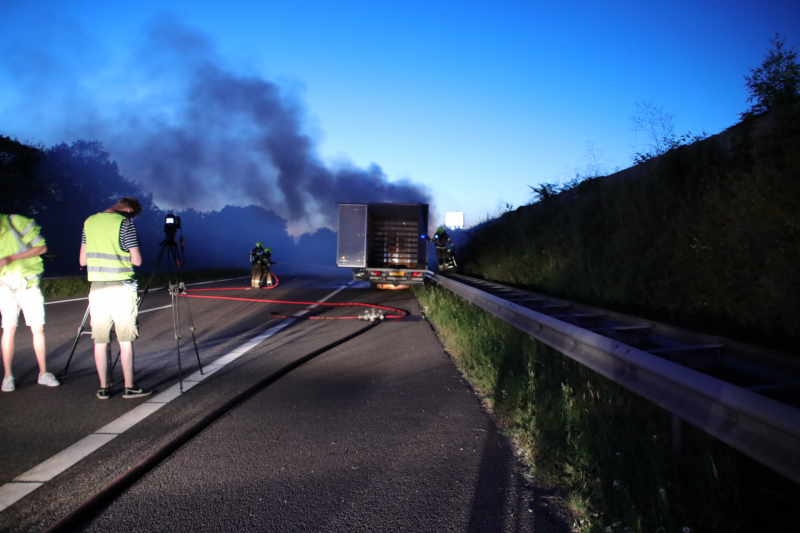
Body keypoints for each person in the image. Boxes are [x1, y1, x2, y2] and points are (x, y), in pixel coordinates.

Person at [79, 197, 151, 400]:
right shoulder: (125, 224)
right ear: (129, 210)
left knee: (100, 339)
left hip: (97, 288)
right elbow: (137, 260)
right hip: (121, 286)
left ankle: (103, 387)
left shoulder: (89, 221)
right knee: (125, 339)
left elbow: (82, 260)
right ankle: (129, 387)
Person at [0, 214, 60, 391]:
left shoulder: (15, 221)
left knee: (37, 328)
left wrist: (11, 258)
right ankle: (8, 376)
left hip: (28, 282)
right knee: (8, 327)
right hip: (3, 283)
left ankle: (43, 374)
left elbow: (41, 248)